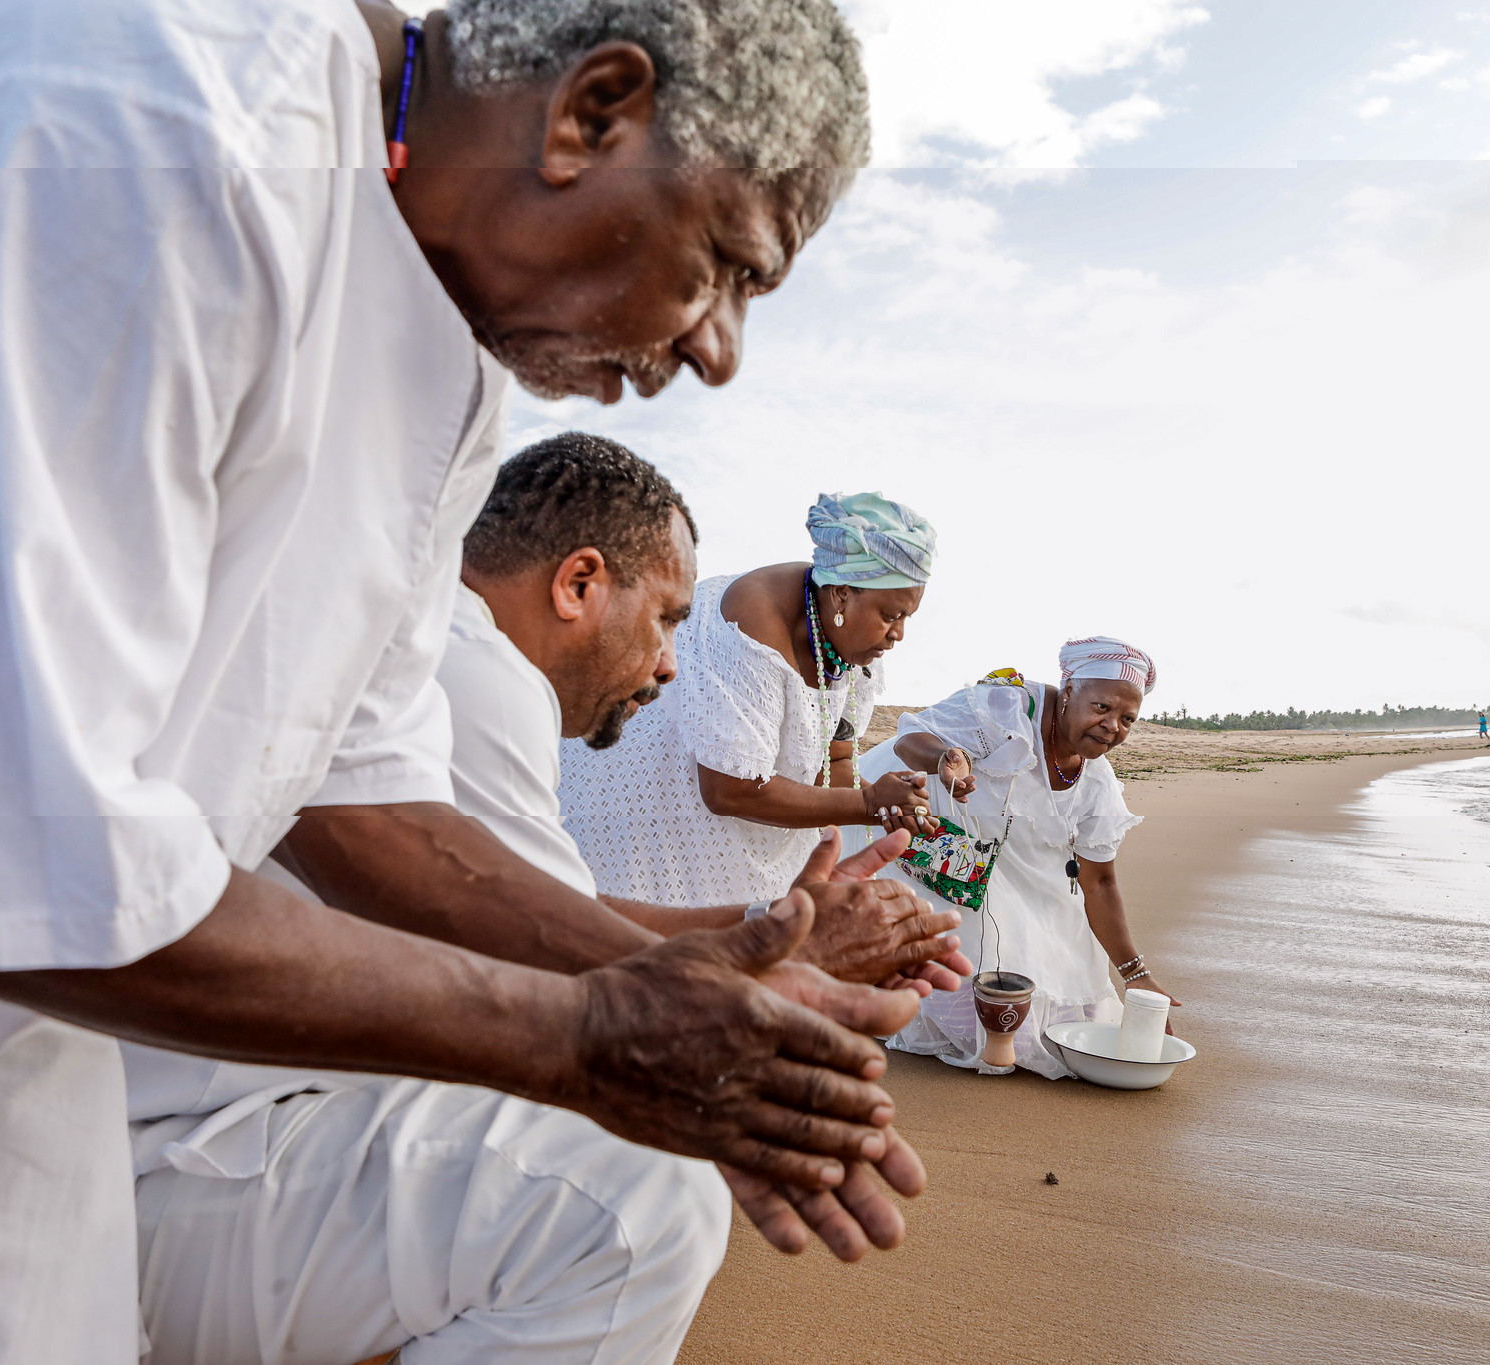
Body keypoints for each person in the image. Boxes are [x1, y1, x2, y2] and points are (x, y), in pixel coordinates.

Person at [0, 2, 898, 1361]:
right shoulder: (157, 120)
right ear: (594, 112)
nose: (717, 349)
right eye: (728, 267)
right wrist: (581, 1039)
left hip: (2, 1046)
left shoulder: (442, 329)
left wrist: (684, 986)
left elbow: (361, 796)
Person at [133, 436, 966, 1363]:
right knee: (635, 1204)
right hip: (175, 1159)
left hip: (210, 1127)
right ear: (578, 584)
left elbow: (546, 915)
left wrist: (769, 933)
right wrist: (778, 965)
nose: (668, 665)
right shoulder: (474, 671)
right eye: (663, 621)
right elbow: (547, 947)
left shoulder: (424, 638)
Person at [561, 491, 942, 908]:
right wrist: (868, 803)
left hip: (757, 840)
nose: (899, 634)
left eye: (908, 618)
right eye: (891, 615)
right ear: (842, 594)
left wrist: (889, 802)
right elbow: (729, 790)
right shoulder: (750, 623)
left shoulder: (849, 647)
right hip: (657, 816)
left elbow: (832, 764)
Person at [862, 639, 1173, 1078]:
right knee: (970, 1000)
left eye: (1127, 719)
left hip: (994, 852)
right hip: (918, 826)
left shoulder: (1097, 784)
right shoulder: (1006, 707)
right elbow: (908, 738)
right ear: (1068, 690)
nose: (1112, 726)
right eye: (1101, 707)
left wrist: (1134, 972)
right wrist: (946, 759)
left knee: (1066, 986)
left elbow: (1099, 883)